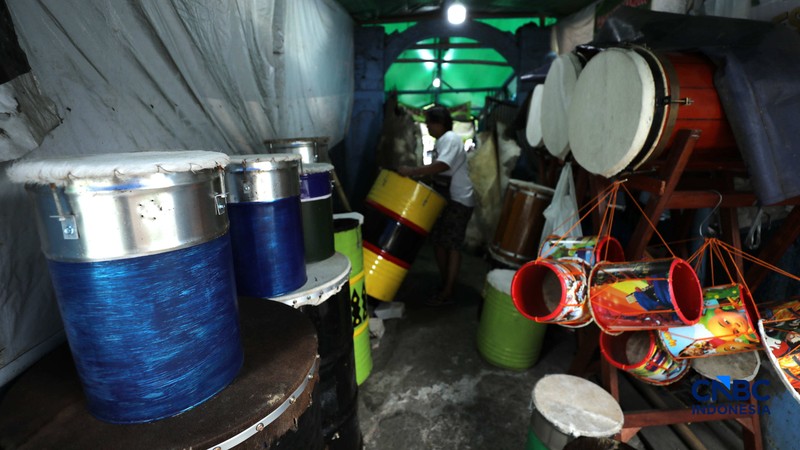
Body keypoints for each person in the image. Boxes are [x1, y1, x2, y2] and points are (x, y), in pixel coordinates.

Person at [398, 106, 475, 306]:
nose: (428, 128)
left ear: (438, 123)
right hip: (449, 199)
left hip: (459, 200)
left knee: (451, 245)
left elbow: (443, 166)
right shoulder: (444, 140)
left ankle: (448, 290)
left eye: (429, 123)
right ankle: (446, 283)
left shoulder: (450, 138)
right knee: (440, 243)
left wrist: (413, 171)